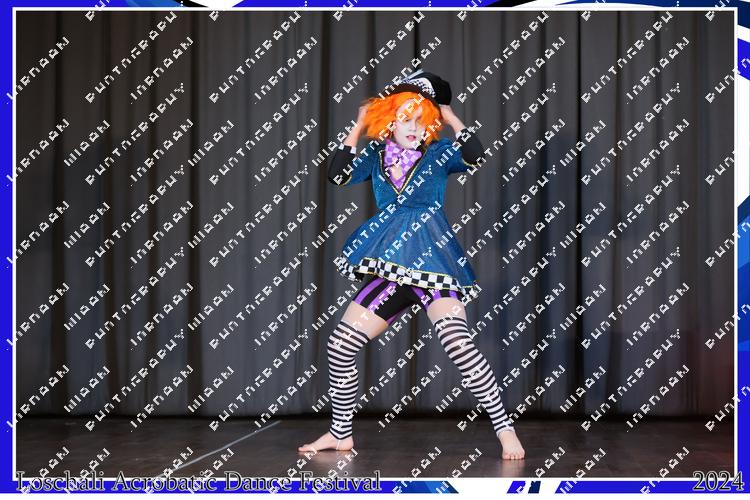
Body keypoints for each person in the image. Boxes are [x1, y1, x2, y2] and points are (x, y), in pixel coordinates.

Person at [298, 70, 525, 460]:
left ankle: (506, 431)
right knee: (340, 346)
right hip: (390, 266)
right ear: (389, 118)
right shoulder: (375, 155)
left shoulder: (439, 153)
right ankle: (340, 433)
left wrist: (449, 116)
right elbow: (336, 175)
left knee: (459, 344)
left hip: (434, 263)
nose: (413, 126)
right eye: (405, 117)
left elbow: (475, 154)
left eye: (422, 119)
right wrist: (358, 126)